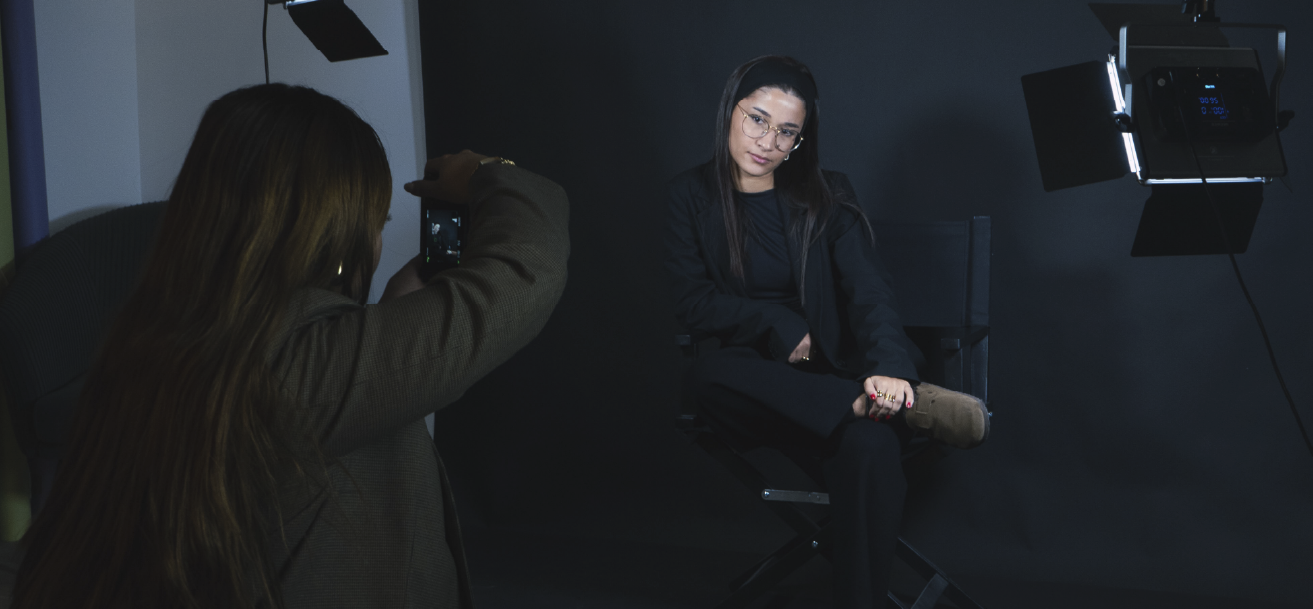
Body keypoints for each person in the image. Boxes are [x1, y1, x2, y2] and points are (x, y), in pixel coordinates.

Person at [6, 84, 569, 608]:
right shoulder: (302, 369)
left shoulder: (155, 342)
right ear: (339, 235)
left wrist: (386, 323)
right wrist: (490, 174)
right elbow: (526, 271)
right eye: (375, 223)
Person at [666, 56, 988, 607]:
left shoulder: (827, 193)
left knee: (870, 448)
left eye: (787, 131)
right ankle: (892, 406)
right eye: (757, 119)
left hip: (844, 368)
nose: (768, 140)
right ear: (730, 111)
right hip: (762, 387)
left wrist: (888, 368)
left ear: (800, 140)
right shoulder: (690, 195)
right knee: (705, 375)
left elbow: (871, 291)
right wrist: (776, 324)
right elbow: (691, 301)